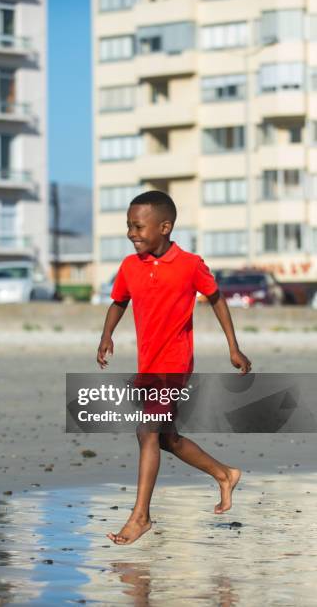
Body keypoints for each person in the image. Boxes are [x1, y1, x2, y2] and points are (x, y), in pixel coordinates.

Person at [96, 190, 252, 545]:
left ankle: (140, 517)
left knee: (148, 431)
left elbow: (216, 300)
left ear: (164, 227)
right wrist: (107, 335)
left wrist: (234, 347)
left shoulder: (190, 264)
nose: (132, 233)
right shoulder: (129, 266)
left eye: (138, 227)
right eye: (128, 227)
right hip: (147, 367)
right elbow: (118, 302)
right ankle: (225, 474)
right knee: (166, 437)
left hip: (174, 364)